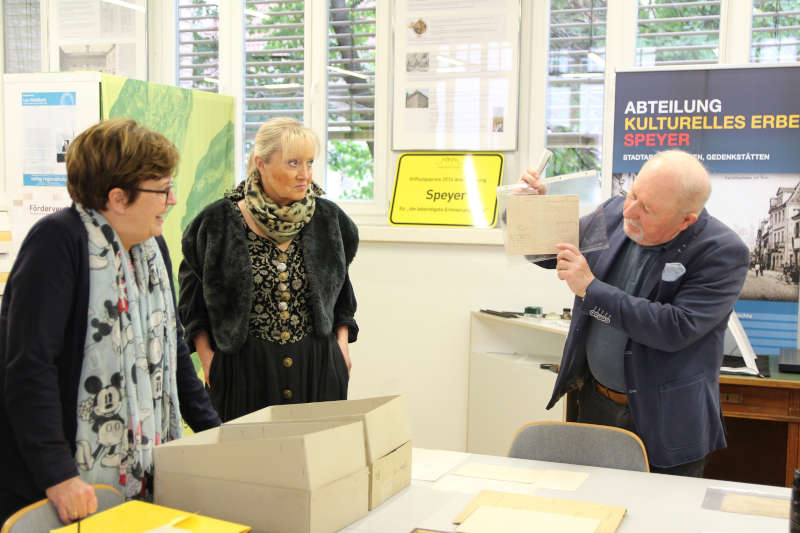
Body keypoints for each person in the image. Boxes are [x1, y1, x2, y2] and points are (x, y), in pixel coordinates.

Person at [0, 119, 221, 526]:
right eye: (162, 190)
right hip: (67, 482)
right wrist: (58, 474)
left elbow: (172, 358)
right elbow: (30, 368)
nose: (171, 201)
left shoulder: (151, 247)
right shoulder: (55, 243)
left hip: (144, 469)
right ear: (118, 198)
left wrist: (216, 436)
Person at [520, 149, 749, 476]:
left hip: (667, 422)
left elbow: (674, 328)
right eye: (634, 195)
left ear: (686, 220)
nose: (630, 210)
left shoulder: (721, 251)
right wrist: (532, 209)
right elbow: (547, 252)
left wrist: (591, 288)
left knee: (661, 521)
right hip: (598, 405)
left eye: (647, 209)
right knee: (595, 512)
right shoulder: (615, 213)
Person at [179, 117, 358, 422]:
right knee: (245, 466)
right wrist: (209, 360)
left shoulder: (330, 220)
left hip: (317, 371)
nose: (305, 175)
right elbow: (192, 304)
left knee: (316, 462)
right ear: (261, 163)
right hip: (243, 374)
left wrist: (341, 349)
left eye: (310, 163)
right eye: (293, 163)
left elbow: (341, 295)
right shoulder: (216, 224)